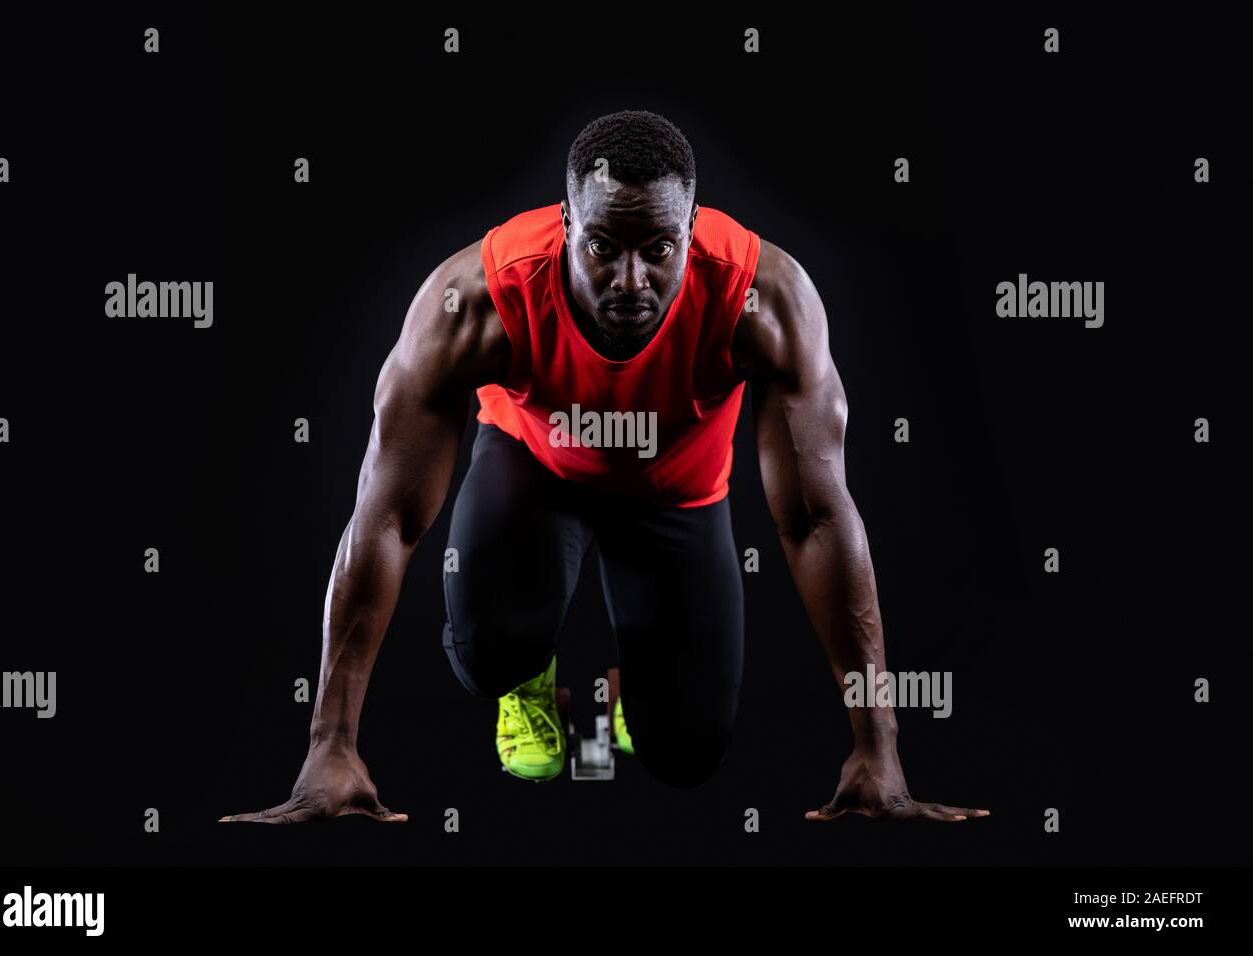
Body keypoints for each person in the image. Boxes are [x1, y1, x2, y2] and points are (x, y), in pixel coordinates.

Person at [221, 110, 988, 825]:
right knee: (487, 652)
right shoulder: (476, 301)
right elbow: (384, 519)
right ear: (565, 226)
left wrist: (878, 745)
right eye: (602, 248)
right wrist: (332, 742)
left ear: (692, 227)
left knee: (686, 751)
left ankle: (635, 683)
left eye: (658, 250)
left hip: (677, 495)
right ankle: (526, 674)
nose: (630, 281)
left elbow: (817, 519)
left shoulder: (766, 300)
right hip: (535, 469)